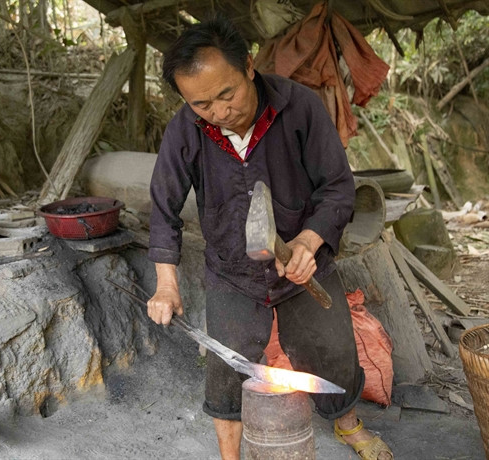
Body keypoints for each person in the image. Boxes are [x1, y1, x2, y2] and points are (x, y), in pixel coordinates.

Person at [146, 16, 393, 460]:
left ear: (248, 67)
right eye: (202, 103)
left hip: (303, 263)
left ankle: (347, 425)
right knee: (226, 367)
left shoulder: (300, 107)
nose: (219, 112)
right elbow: (163, 207)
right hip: (231, 271)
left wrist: (309, 241)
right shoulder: (185, 129)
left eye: (228, 94)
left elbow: (337, 187)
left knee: (331, 349)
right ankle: (230, 455)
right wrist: (166, 283)